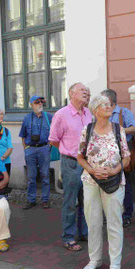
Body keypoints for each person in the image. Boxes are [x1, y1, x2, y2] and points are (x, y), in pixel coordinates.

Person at [77, 95, 130, 269]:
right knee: (93, 222)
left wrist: (115, 170)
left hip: (114, 182)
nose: (108, 107)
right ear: (95, 110)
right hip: (91, 181)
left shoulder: (118, 129)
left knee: (114, 223)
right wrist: (92, 170)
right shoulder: (88, 129)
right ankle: (95, 260)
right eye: (104, 105)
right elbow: (80, 156)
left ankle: (115, 263)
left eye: (109, 104)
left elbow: (127, 157)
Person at [49, 83, 92, 251]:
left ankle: (84, 232)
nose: (86, 93)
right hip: (71, 163)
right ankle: (68, 237)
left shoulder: (88, 113)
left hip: (87, 163)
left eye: (87, 92)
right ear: (71, 93)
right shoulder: (62, 114)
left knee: (86, 200)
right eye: (83, 90)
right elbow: (53, 139)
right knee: (70, 201)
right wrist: (67, 150)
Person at [101, 89, 135, 227]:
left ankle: (126, 215)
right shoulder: (102, 113)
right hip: (105, 154)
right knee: (107, 183)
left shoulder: (124, 113)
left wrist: (118, 130)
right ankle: (109, 214)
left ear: (110, 100)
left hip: (122, 154)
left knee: (125, 184)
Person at [19, 95, 52, 209]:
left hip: (44, 149)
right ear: (31, 104)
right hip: (31, 149)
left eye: (41, 102)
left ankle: (45, 199)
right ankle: (31, 200)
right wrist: (26, 149)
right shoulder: (27, 118)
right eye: (37, 102)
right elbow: (23, 135)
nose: (40, 104)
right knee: (31, 177)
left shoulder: (49, 117)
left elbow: (55, 132)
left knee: (45, 175)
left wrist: (49, 146)